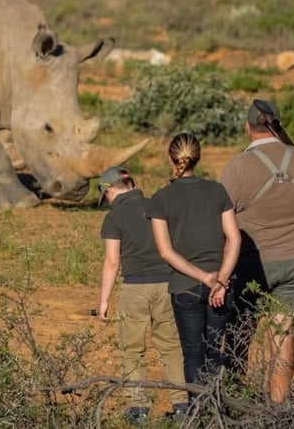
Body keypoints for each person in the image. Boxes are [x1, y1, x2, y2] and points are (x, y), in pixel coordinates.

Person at [219, 99, 294, 403]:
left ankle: (234, 398)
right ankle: (278, 405)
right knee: (283, 331)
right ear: (279, 125)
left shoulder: (238, 165)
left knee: (241, 328)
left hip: (251, 264)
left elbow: (219, 216)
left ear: (248, 127)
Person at [145, 132, 241, 403]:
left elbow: (166, 252)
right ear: (197, 158)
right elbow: (234, 238)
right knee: (215, 351)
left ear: (170, 158)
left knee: (193, 353)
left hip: (186, 287)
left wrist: (205, 278)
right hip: (222, 288)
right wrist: (221, 280)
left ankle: (196, 413)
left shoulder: (161, 198)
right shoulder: (218, 191)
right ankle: (216, 412)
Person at [96, 166, 188, 425]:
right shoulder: (157, 205)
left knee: (132, 350)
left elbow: (112, 261)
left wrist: (103, 300)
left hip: (135, 288)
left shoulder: (114, 217)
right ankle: (181, 405)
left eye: (107, 197)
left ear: (110, 191)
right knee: (171, 347)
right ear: (132, 185)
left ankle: (139, 409)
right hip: (167, 285)